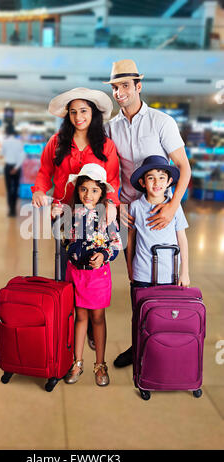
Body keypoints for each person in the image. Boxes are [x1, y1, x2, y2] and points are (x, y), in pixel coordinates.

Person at [103, 59, 192, 368]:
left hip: (161, 210)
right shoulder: (111, 128)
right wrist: (117, 205)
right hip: (130, 214)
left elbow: (183, 167)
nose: (119, 92)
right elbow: (109, 174)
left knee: (166, 282)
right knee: (137, 281)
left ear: (138, 86)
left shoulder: (161, 122)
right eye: (115, 87)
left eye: (125, 86)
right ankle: (138, 343)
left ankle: (164, 343)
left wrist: (172, 206)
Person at [31, 87, 120, 282]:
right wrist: (39, 191)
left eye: (83, 111)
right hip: (63, 212)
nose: (78, 116)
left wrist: (111, 203)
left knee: (91, 268)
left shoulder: (106, 145)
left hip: (94, 214)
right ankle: (66, 308)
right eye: (73, 112)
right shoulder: (57, 142)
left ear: (93, 113)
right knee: (65, 263)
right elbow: (45, 171)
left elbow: (112, 179)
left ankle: (89, 307)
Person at [52, 164, 122, 386]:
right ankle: (77, 362)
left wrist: (103, 254)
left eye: (94, 190)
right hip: (75, 275)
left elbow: (117, 244)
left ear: (102, 192)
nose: (88, 194)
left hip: (98, 277)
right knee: (79, 317)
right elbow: (61, 236)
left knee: (97, 318)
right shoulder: (71, 213)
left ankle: (100, 364)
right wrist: (54, 217)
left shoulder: (106, 216)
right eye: (83, 189)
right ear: (77, 190)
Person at [127, 155, 190, 298]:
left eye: (162, 177)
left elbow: (182, 240)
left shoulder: (175, 208)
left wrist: (184, 272)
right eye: (151, 178)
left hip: (170, 274)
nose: (157, 182)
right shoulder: (135, 207)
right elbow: (130, 239)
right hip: (142, 273)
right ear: (142, 182)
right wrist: (130, 268)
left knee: (165, 317)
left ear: (169, 182)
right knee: (141, 315)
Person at [1, 123, 26, 217]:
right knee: (15, 188)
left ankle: (10, 210)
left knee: (8, 188)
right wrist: (16, 168)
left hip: (8, 166)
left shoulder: (5, 142)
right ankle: (14, 210)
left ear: (6, 132)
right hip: (17, 167)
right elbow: (22, 155)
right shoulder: (19, 142)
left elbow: (2, 153)